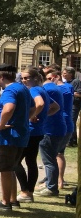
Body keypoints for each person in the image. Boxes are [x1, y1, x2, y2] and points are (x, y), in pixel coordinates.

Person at [0, 64, 35, 211]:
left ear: (1, 76)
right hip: (20, 135)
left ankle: (5, 202)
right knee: (12, 168)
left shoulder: (10, 90)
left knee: (5, 170)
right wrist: (24, 120)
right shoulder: (23, 89)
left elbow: (8, 108)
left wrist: (1, 125)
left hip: (8, 137)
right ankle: (13, 200)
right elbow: (33, 107)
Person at [15, 67, 57, 204]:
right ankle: (29, 192)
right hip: (38, 131)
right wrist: (41, 116)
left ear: (35, 78)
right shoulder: (41, 90)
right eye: (22, 78)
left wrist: (30, 116)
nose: (24, 80)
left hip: (31, 131)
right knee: (31, 161)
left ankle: (25, 191)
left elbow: (40, 104)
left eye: (27, 78)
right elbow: (55, 107)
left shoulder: (33, 90)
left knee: (15, 162)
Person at [37, 69, 68, 198]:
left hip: (51, 129)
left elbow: (48, 106)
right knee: (52, 158)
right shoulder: (53, 87)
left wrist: (39, 116)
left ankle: (51, 187)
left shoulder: (45, 90)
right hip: (59, 127)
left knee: (49, 160)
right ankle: (50, 183)